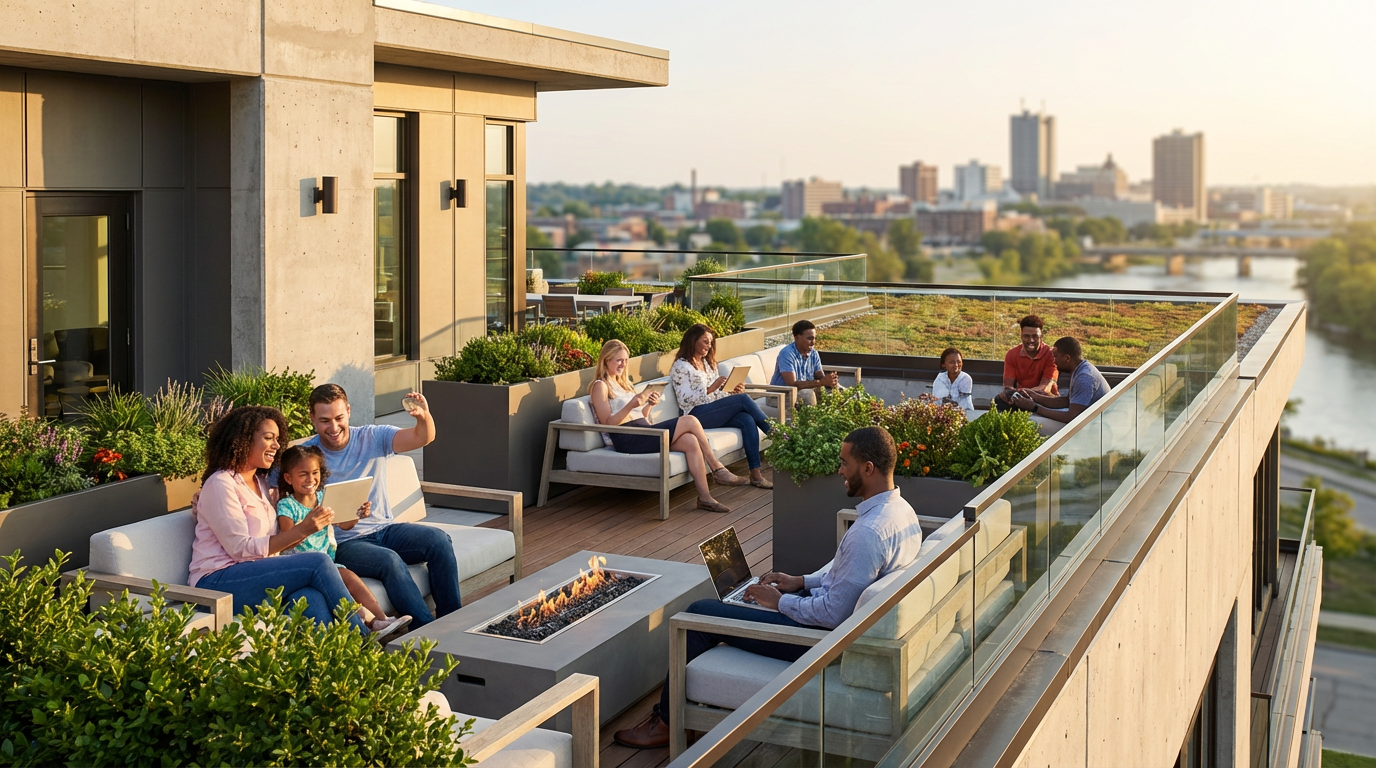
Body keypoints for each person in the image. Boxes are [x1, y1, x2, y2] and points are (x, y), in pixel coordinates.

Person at [613, 426, 923, 749]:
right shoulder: (901, 513)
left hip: (814, 642)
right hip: (823, 622)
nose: (840, 470)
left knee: (698, 615)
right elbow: (848, 581)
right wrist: (799, 582)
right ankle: (697, 701)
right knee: (739, 602)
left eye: (845, 463)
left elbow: (834, 615)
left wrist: (779, 603)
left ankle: (665, 722)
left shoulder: (868, 534)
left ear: (868, 469)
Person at [189, 405, 367, 633]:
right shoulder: (221, 483)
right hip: (217, 580)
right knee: (318, 562)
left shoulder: (263, 484)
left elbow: (299, 499)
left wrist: (350, 509)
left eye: (277, 439)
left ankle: (328, 664)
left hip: (257, 572)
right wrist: (303, 530)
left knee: (309, 598)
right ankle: (364, 638)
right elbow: (240, 549)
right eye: (268, 438)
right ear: (243, 439)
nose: (276, 445)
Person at [302, 384, 457, 630]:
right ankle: (427, 631)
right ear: (312, 418)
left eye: (339, 418)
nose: (333, 427)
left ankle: (452, 621)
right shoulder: (305, 457)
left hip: (386, 528)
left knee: (438, 540)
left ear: (349, 411)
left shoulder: (372, 437)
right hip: (345, 543)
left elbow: (422, 437)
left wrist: (424, 417)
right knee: (390, 561)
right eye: (324, 420)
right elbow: (281, 494)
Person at [590, 339, 745, 514]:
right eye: (619, 360)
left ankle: (705, 498)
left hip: (643, 430)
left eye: (625, 360)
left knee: (690, 441)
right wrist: (631, 405)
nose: (623, 364)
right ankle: (717, 468)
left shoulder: (624, 384)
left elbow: (642, 416)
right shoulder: (600, 386)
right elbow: (608, 424)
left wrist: (649, 405)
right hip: (628, 437)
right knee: (690, 420)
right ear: (606, 360)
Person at [274, 444, 412, 640]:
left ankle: (381, 620)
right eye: (303, 474)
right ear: (289, 478)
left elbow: (345, 524)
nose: (310, 479)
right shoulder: (287, 505)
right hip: (301, 564)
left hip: (328, 563)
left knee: (351, 578)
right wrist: (308, 526)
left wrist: (357, 514)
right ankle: (368, 621)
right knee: (340, 584)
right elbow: (286, 540)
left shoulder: (324, 498)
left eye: (315, 472)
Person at [670, 323, 774, 489]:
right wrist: (712, 388)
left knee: (746, 419)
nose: (708, 346)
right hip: (694, 416)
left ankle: (756, 475)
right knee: (743, 399)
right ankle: (777, 435)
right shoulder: (681, 366)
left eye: (710, 342)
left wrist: (730, 391)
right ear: (693, 340)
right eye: (705, 341)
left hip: (713, 410)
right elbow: (685, 399)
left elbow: (718, 395)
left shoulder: (708, 363)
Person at [1005, 336, 1110, 430]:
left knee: (1036, 424)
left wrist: (1034, 408)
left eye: (1055, 356)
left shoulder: (1084, 378)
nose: (1054, 361)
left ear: (1067, 358)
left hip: (1099, 428)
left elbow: (1072, 417)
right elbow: (1067, 402)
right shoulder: (1079, 369)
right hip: (1092, 423)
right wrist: (1034, 396)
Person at [993, 314, 1059, 411]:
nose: (1031, 340)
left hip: (1045, 400)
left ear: (1041, 336)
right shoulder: (1012, 354)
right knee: (1000, 399)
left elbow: (1044, 388)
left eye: (1035, 336)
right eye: (1027, 336)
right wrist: (1015, 395)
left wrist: (1021, 394)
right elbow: (1007, 387)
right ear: (1021, 336)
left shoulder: (1051, 355)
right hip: (1022, 397)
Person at [770, 319, 839, 406]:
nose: (813, 342)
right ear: (797, 337)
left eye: (814, 338)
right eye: (809, 338)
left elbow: (819, 376)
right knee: (807, 394)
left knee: (837, 390)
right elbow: (792, 384)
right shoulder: (787, 354)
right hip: (781, 395)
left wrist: (830, 380)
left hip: (804, 389)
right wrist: (821, 382)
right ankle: (813, 419)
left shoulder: (813, 353)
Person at [932, 346, 974, 411]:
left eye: (959, 362)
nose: (956, 365)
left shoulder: (966, 378)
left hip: (964, 413)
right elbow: (938, 400)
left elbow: (964, 403)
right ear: (943, 364)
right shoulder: (940, 378)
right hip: (942, 413)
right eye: (952, 362)